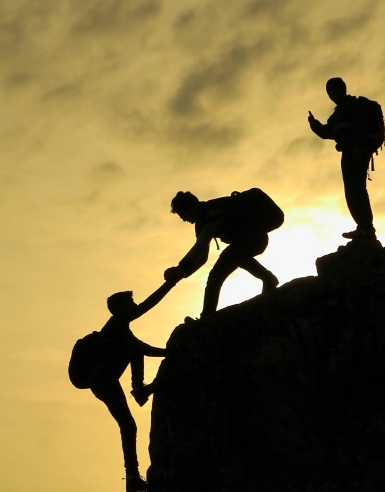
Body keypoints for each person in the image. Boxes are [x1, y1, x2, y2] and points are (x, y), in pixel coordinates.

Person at [84, 280, 176, 491]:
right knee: (128, 425)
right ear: (119, 308)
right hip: (102, 381)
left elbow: (139, 347)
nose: (134, 305)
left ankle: (139, 389)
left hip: (103, 380)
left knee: (128, 425)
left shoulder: (120, 329)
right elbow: (147, 309)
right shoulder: (116, 324)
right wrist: (170, 283)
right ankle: (132, 476)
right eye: (130, 302)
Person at [164, 189, 282, 317]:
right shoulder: (201, 223)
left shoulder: (212, 212)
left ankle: (268, 278)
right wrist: (181, 273)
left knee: (235, 256)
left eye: (183, 215)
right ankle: (207, 316)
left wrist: (180, 268)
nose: (183, 219)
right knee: (215, 276)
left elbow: (201, 244)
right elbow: (202, 257)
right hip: (240, 244)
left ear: (190, 207)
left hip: (256, 238)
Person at [307, 77, 385, 241]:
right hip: (347, 152)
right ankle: (362, 227)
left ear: (343, 89)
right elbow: (328, 132)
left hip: (357, 151)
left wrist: (358, 147)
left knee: (357, 189)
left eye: (335, 89)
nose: (332, 94)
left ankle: (366, 229)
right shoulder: (337, 114)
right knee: (351, 191)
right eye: (330, 91)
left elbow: (361, 126)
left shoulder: (353, 105)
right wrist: (314, 125)